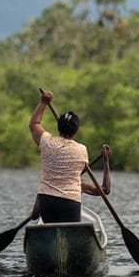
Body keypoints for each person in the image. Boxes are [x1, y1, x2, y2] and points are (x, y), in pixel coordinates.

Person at [29, 90, 111, 223]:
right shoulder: (81, 150)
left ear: (58, 127)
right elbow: (105, 190)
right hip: (69, 201)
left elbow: (34, 124)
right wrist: (106, 162)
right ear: (76, 131)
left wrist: (43, 102)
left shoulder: (46, 142)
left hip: (46, 201)